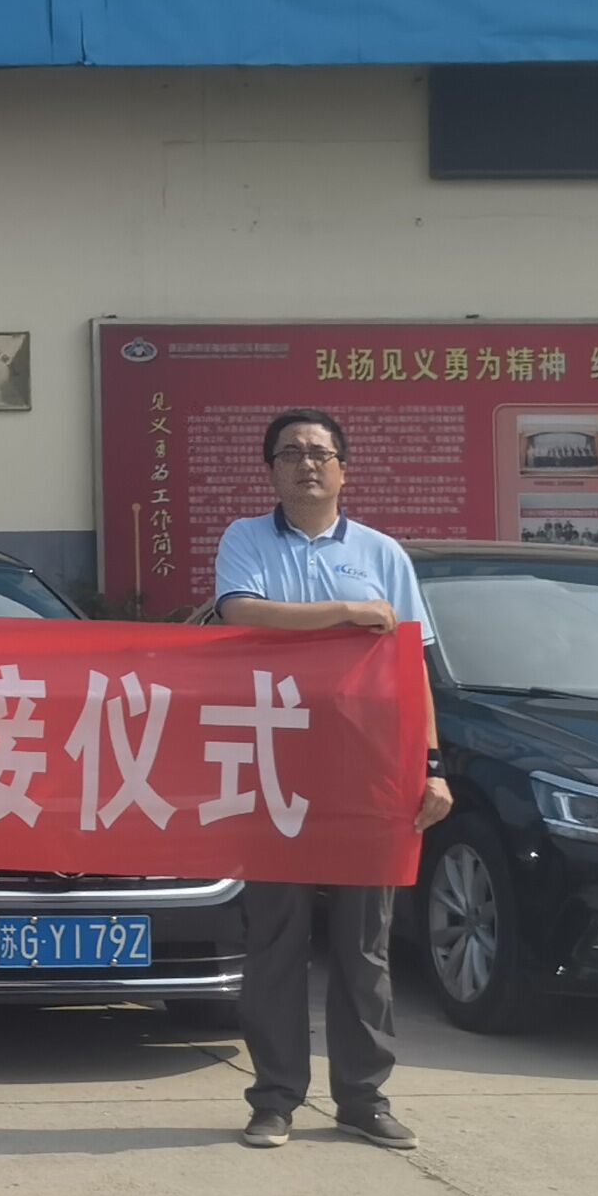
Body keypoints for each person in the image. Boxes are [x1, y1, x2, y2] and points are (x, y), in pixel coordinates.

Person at [212, 406, 454, 1152]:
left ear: (344, 470)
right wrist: (346, 613)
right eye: (290, 453)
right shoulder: (246, 540)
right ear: (272, 472)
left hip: (368, 771)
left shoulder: (383, 554)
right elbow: (242, 613)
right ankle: (275, 1098)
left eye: (320, 453)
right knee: (276, 940)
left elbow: (411, 667)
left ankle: (363, 1098)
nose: (306, 464)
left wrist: (431, 766)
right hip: (276, 761)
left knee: (364, 945)